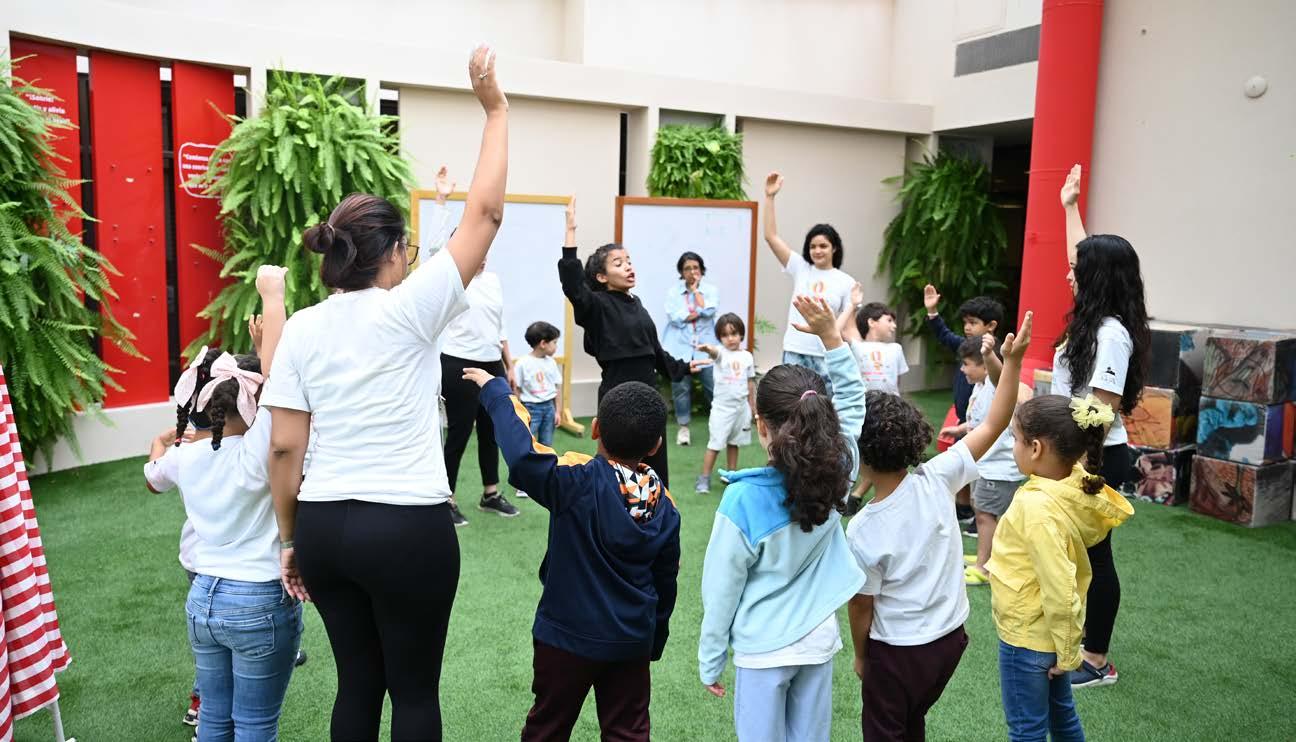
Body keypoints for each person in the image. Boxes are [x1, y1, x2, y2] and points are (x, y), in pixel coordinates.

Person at [260, 45, 507, 741]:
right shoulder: (409, 309)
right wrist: (495, 110)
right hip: (405, 528)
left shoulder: (302, 328)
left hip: (324, 529)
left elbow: (284, 449)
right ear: (395, 253)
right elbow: (485, 216)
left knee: (357, 687)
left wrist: (290, 539)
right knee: (415, 695)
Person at [464, 370, 681, 742]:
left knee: (547, 729)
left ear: (594, 428)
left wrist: (496, 391)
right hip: (632, 639)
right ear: (656, 446)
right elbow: (666, 582)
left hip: (565, 637)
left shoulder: (574, 481)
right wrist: (654, 639)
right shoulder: (666, 507)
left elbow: (522, 455)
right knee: (628, 733)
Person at [845, 312, 1032, 742]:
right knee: (913, 722)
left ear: (861, 456)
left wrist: (861, 656)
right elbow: (996, 422)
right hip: (950, 640)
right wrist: (1014, 363)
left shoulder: (862, 530)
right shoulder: (939, 476)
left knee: (886, 731)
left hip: (897, 652)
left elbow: (860, 605)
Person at [145, 266, 303, 742]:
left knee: (214, 717)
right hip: (255, 597)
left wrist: (159, 443)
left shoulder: (185, 455)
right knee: (255, 724)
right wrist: (272, 296)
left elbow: (154, 475)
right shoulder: (256, 453)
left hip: (202, 601)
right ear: (249, 406)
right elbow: (280, 383)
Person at [698, 296, 866, 742]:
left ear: (761, 425)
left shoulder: (742, 500)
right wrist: (832, 338)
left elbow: (721, 589)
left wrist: (711, 659)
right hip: (817, 640)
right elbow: (855, 405)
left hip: (762, 648)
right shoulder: (842, 469)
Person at [989, 394, 1133, 741]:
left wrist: (1068, 654)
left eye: (1015, 438)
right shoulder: (1071, 487)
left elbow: (1059, 586)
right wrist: (1065, 649)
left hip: (1027, 637)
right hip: (1050, 636)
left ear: (1036, 448)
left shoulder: (1038, 508)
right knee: (1063, 718)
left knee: (1027, 731)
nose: (1013, 446)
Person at [1054, 163, 1150, 688]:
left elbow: (1100, 410)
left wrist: (1079, 468)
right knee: (1077, 553)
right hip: (1074, 452)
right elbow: (1082, 254)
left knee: (1096, 556)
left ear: (1097, 278)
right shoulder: (1094, 320)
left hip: (1095, 456)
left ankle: (1096, 661)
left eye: (1079, 268)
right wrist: (1070, 206)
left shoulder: (1110, 334)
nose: (1069, 272)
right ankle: (1077, 641)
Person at [559, 197, 709, 489]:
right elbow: (573, 285)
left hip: (649, 397)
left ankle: (657, 514)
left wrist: (683, 366)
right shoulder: (596, 305)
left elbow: (654, 352)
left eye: (628, 261)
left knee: (655, 475)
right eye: (618, 263)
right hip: (617, 399)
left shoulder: (636, 303)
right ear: (601, 276)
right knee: (615, 474)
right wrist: (571, 232)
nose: (628, 267)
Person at [440, 246, 518, 526]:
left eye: (484, 250)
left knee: (491, 430)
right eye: (476, 249)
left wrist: (509, 365)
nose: (482, 256)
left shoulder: (493, 280)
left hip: (492, 362)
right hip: (458, 361)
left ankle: (490, 494)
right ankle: (445, 499)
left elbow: (500, 326)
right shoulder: (451, 282)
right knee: (459, 432)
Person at [946, 335, 1032, 586]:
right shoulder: (980, 386)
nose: (962, 370)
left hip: (998, 468)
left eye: (966, 364)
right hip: (985, 466)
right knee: (982, 510)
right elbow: (981, 421)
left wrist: (989, 355)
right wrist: (960, 429)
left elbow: (1000, 374)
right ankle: (987, 557)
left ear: (985, 367)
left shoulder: (997, 385)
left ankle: (984, 568)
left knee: (985, 515)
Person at [922, 284, 1005, 535]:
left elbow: (1003, 380)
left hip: (984, 423)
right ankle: (964, 506)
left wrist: (990, 355)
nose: (967, 327)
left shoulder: (994, 354)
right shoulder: (966, 346)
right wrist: (933, 312)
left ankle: (981, 514)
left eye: (973, 323)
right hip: (966, 419)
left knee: (977, 466)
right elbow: (945, 336)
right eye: (965, 322)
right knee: (963, 463)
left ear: (991, 326)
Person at [761, 172, 856, 389]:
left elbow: (850, 328)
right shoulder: (800, 267)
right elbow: (770, 237)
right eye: (813, 246)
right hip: (795, 351)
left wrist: (866, 351)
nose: (817, 250)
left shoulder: (847, 282)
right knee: (791, 403)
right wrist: (769, 197)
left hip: (826, 355)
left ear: (834, 248)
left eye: (823, 246)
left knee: (824, 406)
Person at [838, 283, 909, 514]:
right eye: (889, 320)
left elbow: (897, 383)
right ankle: (848, 493)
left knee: (884, 452)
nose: (894, 325)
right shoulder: (858, 346)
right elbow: (837, 329)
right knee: (857, 450)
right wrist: (853, 304)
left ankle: (859, 495)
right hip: (864, 408)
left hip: (889, 410)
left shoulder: (896, 348)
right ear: (872, 322)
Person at [693, 313, 756, 493]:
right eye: (725, 335)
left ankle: (731, 475)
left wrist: (753, 406)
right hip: (722, 408)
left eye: (734, 333)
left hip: (741, 407)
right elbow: (715, 353)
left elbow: (750, 382)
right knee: (715, 443)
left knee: (734, 442)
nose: (730, 338)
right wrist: (708, 349)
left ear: (741, 334)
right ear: (719, 338)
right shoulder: (721, 353)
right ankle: (704, 478)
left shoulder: (747, 356)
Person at [662, 251, 719, 447]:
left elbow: (709, 310)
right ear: (681, 272)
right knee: (681, 388)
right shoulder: (673, 292)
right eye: (687, 268)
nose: (692, 272)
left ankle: (719, 425)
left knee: (713, 387)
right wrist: (698, 312)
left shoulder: (710, 290)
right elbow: (675, 317)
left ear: (702, 270)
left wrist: (695, 293)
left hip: (706, 348)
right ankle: (683, 427)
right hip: (680, 348)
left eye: (695, 268)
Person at [512, 320, 563, 499]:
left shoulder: (551, 363)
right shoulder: (522, 363)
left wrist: (557, 411)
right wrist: (519, 413)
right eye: (554, 342)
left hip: (548, 408)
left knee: (546, 445)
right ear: (543, 343)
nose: (556, 346)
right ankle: (523, 484)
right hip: (530, 409)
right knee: (528, 447)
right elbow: (517, 390)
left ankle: (544, 479)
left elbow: (557, 388)